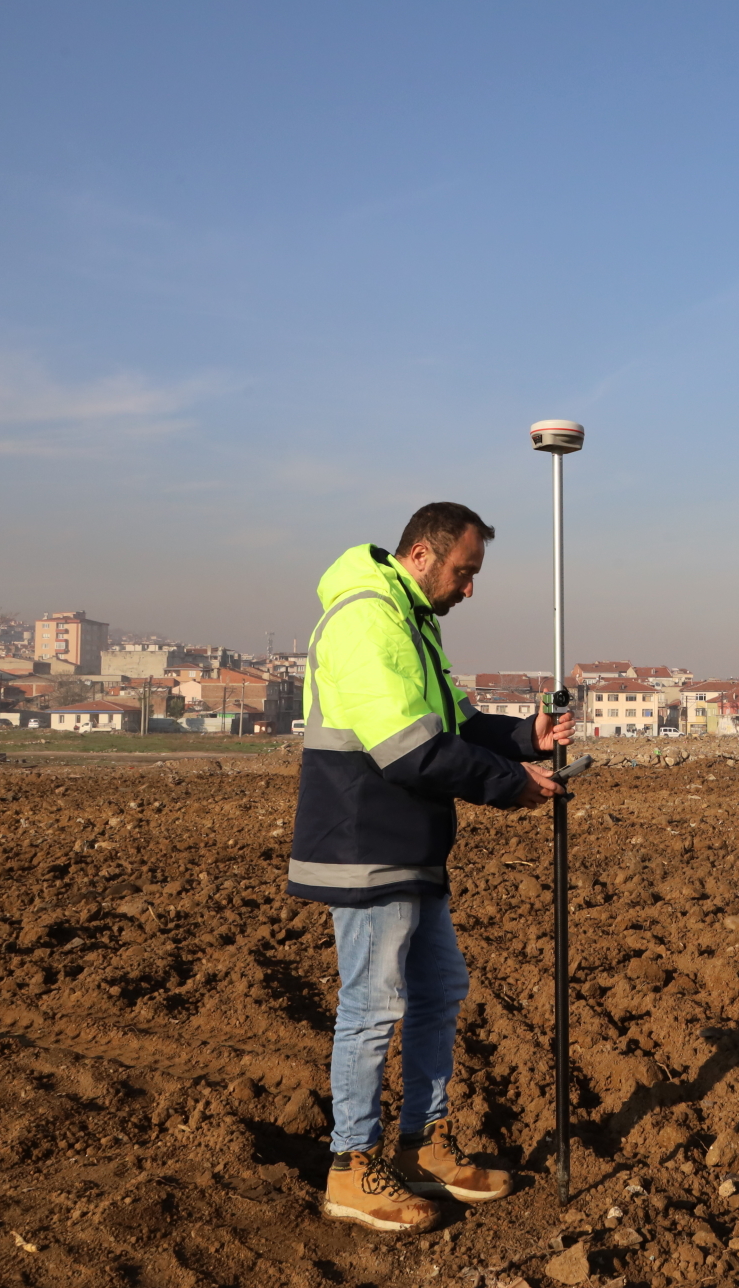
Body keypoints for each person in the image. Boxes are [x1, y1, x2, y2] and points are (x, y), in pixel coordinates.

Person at [288, 502, 574, 1234]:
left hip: (409, 843)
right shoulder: (368, 618)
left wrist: (525, 738)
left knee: (440, 985)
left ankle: (423, 1143)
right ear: (423, 554)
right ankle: (351, 1166)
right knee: (373, 1003)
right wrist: (510, 785)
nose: (469, 589)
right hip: (366, 840)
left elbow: (452, 722)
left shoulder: (412, 620)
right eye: (464, 572)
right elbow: (409, 749)